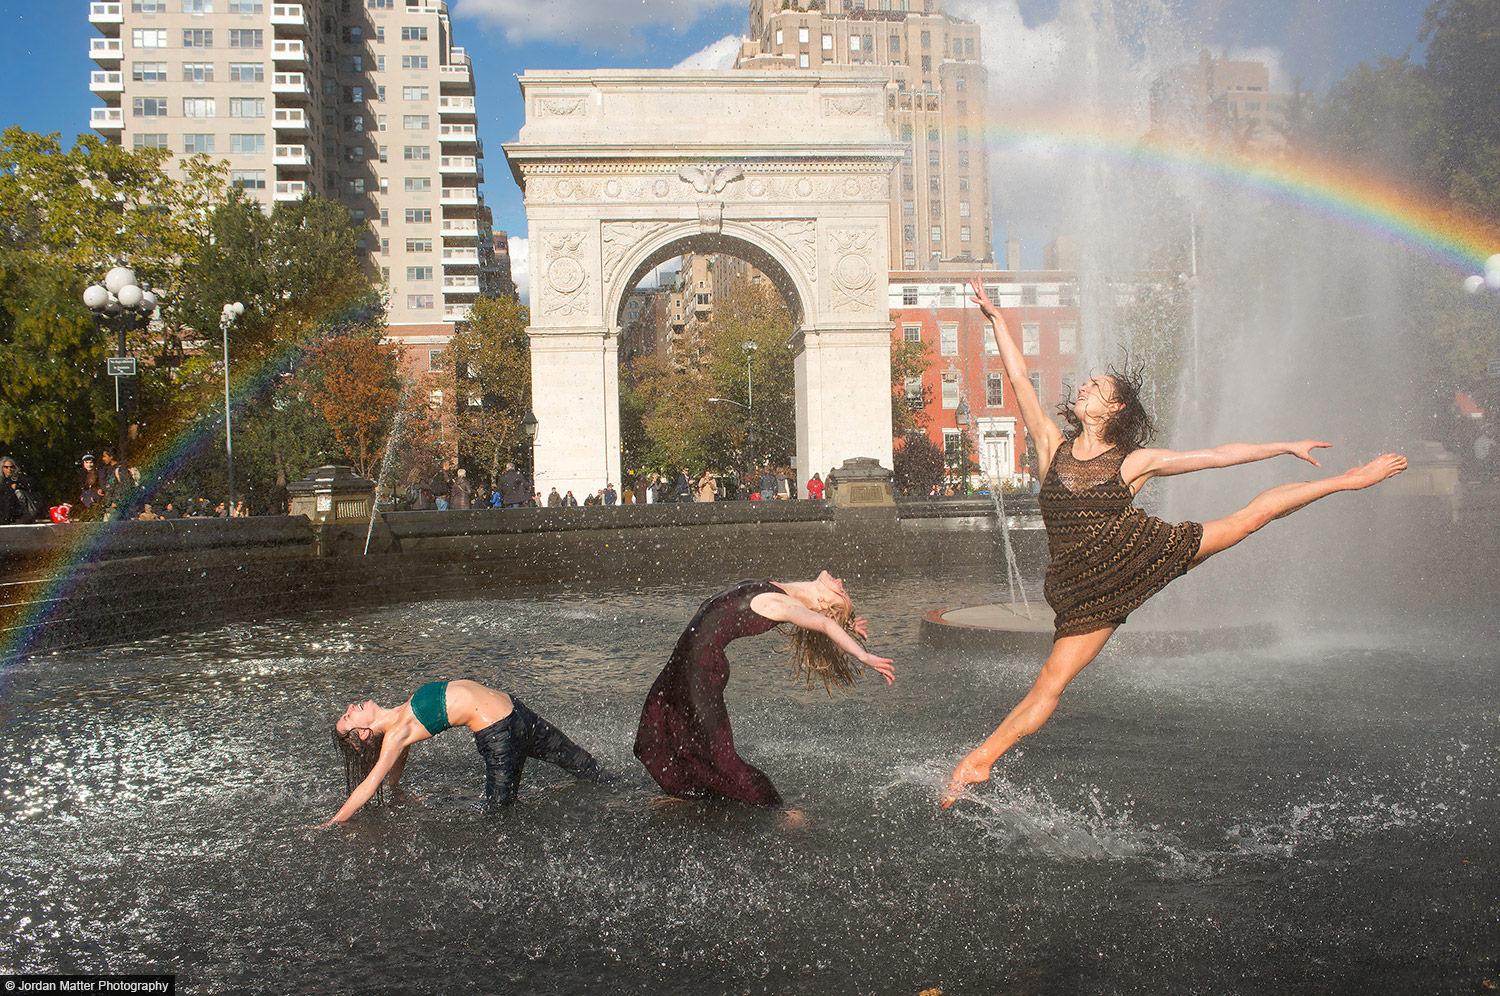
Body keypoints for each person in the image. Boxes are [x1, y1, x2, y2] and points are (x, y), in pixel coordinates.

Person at [943, 278, 1409, 806]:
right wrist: (996, 320)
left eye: (1096, 388)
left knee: (1250, 518)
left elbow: (1215, 455)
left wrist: (1285, 445)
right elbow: (1020, 378)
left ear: (1115, 409)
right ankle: (983, 761)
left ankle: (1348, 480)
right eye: (1087, 384)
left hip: (1140, 554)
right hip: (1082, 590)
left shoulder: (1134, 462)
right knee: (1050, 683)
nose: (1085, 389)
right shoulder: (1052, 445)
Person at [634, 573, 896, 808]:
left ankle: (778, 809)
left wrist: (863, 655)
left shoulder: (785, 605)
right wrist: (847, 623)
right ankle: (693, 794)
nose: (841, 582)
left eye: (842, 591)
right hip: (681, 664)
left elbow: (826, 624)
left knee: (722, 758)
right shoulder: (782, 589)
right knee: (650, 743)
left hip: (701, 671)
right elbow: (827, 620)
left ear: (824, 604)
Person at [326, 680, 604, 823]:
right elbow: (369, 784)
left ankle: (620, 791)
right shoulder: (398, 731)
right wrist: (334, 822)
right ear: (363, 735)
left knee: (583, 763)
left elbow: (399, 756)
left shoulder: (400, 720)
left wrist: (395, 787)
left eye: (346, 713)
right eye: (348, 718)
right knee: (500, 813)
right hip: (499, 737)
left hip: (518, 715)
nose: (350, 708)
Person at [0, 456, 39, 525]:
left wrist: (18, 485)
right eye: (6, 467)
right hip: (6, 512)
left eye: (11, 467)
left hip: (19, 511)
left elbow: (32, 485)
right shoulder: (2, 481)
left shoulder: (18, 478)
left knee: (18, 492)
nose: (9, 469)